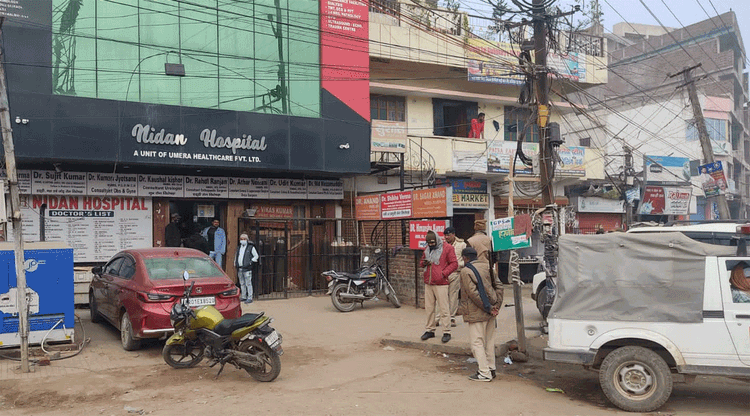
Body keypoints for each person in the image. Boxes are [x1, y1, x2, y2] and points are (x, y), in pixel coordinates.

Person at [458, 247, 504, 382]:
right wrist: (496, 306)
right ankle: (491, 368)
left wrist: (488, 308)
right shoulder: (487, 267)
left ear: (465, 258)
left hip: (476, 312)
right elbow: (499, 286)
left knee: (477, 342)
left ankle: (484, 373)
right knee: (489, 341)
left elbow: (473, 294)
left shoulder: (466, 271)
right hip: (491, 311)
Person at [420, 230, 458, 343]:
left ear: (437, 240)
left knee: (444, 308)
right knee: (429, 308)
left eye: (433, 243)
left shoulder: (447, 248)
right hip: (429, 281)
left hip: (441, 282)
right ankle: (430, 329)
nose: (431, 245)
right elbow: (421, 262)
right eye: (429, 243)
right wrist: (424, 263)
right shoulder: (427, 249)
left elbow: (454, 263)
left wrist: (443, 273)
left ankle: (446, 331)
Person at [441, 227, 466, 327]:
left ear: (453, 234)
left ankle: (451, 318)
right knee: (441, 296)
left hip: (455, 273)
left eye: (448, 235)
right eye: (445, 235)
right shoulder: (442, 245)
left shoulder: (461, 245)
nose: (447, 237)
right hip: (443, 273)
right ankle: (438, 318)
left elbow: (465, 259)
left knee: (453, 296)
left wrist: (458, 265)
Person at [235, 233, 259, 304]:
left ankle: (250, 297)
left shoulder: (250, 247)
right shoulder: (239, 247)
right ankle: (244, 296)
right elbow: (237, 256)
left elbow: (256, 256)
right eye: (241, 239)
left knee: (248, 283)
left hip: (247, 268)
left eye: (244, 239)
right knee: (242, 283)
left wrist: (250, 262)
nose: (243, 240)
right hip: (240, 268)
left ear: (247, 240)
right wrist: (235, 263)